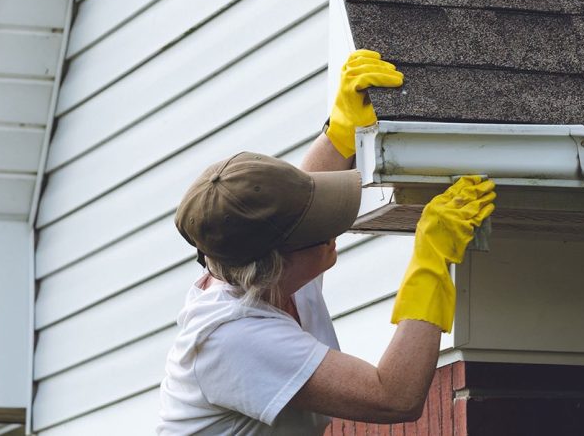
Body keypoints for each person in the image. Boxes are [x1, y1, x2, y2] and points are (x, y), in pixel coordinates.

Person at [156, 50, 496, 434]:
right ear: (273, 265)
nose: (330, 229)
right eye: (314, 225)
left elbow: (287, 211)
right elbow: (394, 396)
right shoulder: (234, 338)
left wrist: (339, 133)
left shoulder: (253, 268)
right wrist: (432, 259)